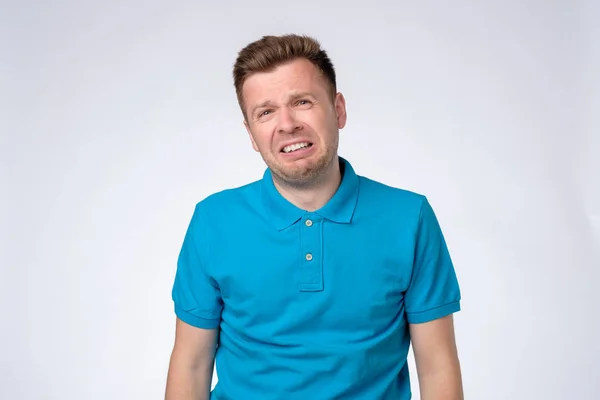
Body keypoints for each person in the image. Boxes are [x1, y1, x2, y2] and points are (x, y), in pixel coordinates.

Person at [165, 34, 463, 400]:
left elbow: (437, 367)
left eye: (302, 102)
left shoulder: (409, 218)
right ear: (252, 134)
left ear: (338, 110)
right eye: (265, 112)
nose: (287, 124)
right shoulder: (213, 221)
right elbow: (191, 363)